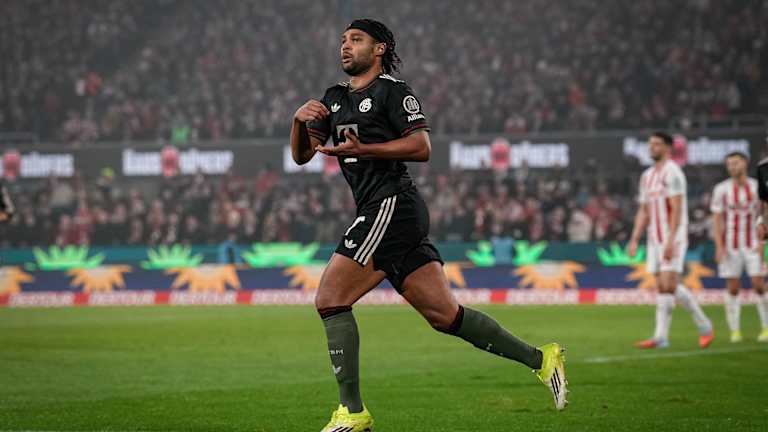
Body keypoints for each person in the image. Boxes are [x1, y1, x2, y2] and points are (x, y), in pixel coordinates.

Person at [290, 19, 567, 432]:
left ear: (379, 48)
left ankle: (352, 412)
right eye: (343, 40)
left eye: (356, 40)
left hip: (392, 206)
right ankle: (542, 359)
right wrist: (297, 122)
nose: (345, 46)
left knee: (330, 299)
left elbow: (421, 147)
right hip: (383, 210)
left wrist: (367, 148)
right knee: (446, 316)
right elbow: (302, 156)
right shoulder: (332, 99)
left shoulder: (393, 91)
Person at [627, 132, 714, 349]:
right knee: (665, 286)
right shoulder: (646, 176)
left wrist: (670, 240)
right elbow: (644, 210)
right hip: (654, 237)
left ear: (667, 148)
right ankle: (692, 328)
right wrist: (635, 238)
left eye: (656, 144)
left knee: (667, 284)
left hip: (672, 236)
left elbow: (676, 209)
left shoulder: (673, 173)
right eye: (650, 144)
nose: (651, 148)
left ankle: (670, 334)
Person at [711, 152, 768, 342]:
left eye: (735, 163)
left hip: (753, 244)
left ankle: (766, 327)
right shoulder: (721, 189)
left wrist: (763, 244)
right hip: (731, 246)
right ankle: (734, 330)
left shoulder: (757, 186)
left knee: (758, 285)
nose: (732, 167)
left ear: (745, 163)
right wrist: (719, 246)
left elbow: (765, 214)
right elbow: (717, 220)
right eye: (729, 164)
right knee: (733, 288)